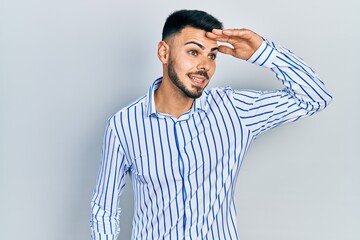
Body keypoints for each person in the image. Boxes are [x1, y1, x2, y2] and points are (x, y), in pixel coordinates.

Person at [90, 9, 332, 240]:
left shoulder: (234, 111)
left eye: (212, 55)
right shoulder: (123, 126)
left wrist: (263, 53)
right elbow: (105, 209)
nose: (205, 65)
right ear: (164, 53)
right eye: (194, 52)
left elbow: (315, 98)